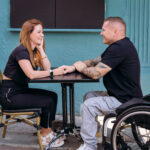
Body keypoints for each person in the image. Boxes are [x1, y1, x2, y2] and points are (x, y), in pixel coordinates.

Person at [61, 17, 143, 150]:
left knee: (89, 105)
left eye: (103, 30)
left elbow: (96, 73)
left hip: (125, 100)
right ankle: (95, 134)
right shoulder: (119, 46)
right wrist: (74, 67)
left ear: (115, 31)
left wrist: (80, 67)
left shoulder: (120, 48)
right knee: (90, 96)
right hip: (122, 96)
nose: (101, 33)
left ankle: (89, 146)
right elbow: (95, 61)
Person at [1, 19, 65, 147]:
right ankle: (45, 135)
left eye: (42, 32)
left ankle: (47, 130)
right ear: (29, 34)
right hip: (10, 95)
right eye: (39, 32)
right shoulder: (21, 51)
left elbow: (47, 68)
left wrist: (41, 49)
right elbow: (31, 74)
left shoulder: (33, 51)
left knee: (52, 96)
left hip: (20, 90)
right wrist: (54, 72)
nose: (42, 35)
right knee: (46, 101)